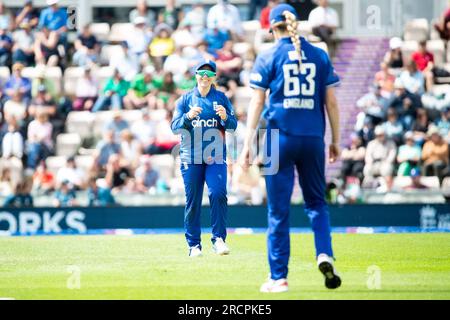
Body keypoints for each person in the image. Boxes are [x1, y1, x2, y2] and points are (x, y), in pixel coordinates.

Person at [239, 4, 342, 292]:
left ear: (273, 28)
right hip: (312, 137)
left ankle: (278, 277)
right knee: (316, 204)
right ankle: (324, 253)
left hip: (276, 139)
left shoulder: (269, 55)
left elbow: (257, 103)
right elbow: (331, 102)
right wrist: (334, 139)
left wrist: (247, 144)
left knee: (278, 211)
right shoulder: (320, 55)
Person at [171, 59, 237, 257]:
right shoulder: (185, 100)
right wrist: (188, 117)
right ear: (196, 76)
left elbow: (233, 127)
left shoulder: (222, 98)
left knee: (218, 194)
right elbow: (175, 128)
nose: (205, 77)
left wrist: (226, 117)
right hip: (190, 157)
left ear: (214, 77)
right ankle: (194, 245)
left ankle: (219, 239)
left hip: (215, 157)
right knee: (193, 201)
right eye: (201, 73)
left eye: (209, 74)